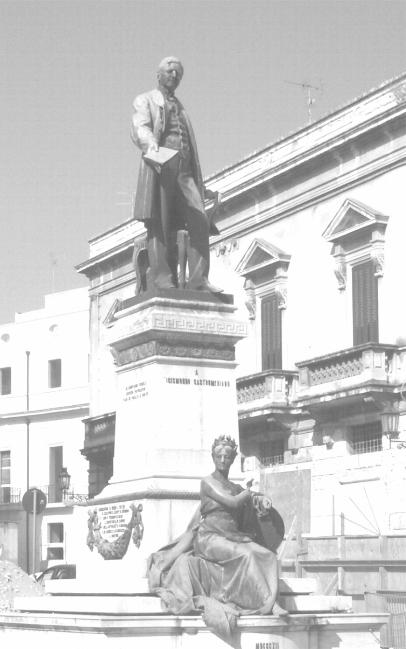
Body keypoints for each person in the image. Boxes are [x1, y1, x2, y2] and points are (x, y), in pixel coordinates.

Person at [147, 435, 286, 643]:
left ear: (232, 459)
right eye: (219, 455)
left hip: (231, 536)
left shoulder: (232, 485)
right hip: (209, 538)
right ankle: (269, 603)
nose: (223, 459)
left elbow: (248, 496)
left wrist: (262, 498)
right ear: (213, 457)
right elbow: (232, 503)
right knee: (246, 555)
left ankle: (268, 597)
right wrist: (248, 493)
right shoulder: (208, 483)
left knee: (267, 555)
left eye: (227, 456)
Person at [131, 56, 222, 293]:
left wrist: (202, 188)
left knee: (200, 220)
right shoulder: (146, 100)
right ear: (158, 75)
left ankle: (199, 280)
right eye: (170, 71)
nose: (174, 76)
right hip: (160, 164)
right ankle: (162, 280)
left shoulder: (183, 110)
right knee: (159, 223)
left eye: (178, 73)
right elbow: (140, 128)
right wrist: (152, 148)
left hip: (184, 170)